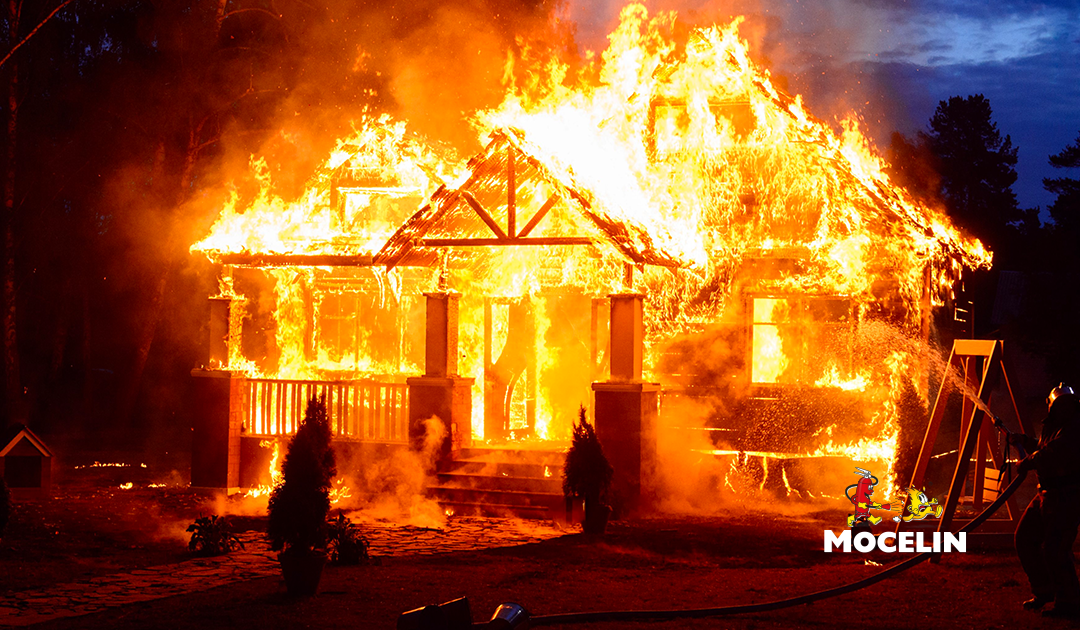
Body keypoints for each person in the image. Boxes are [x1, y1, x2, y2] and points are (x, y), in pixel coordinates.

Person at [1013, 383, 1080, 618]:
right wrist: (1022, 440)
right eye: (1059, 404)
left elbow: (1053, 452)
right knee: (1024, 538)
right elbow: (1044, 446)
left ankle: (1069, 602)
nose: (1063, 408)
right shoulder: (1055, 426)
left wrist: (1026, 462)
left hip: (1067, 497)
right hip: (1046, 495)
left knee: (1056, 550)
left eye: (1066, 404)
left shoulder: (1074, 427)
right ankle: (1044, 591)